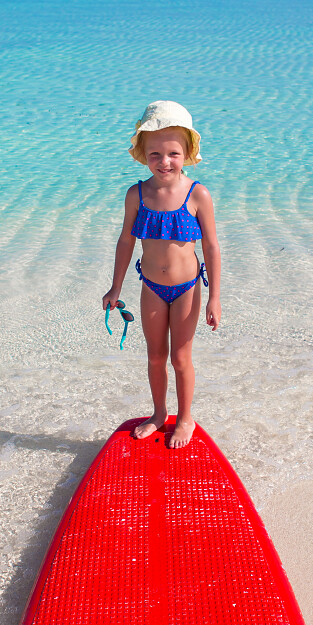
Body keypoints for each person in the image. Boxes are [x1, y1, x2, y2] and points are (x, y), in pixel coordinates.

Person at [103, 101, 221, 449]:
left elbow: (212, 247)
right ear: (142, 154)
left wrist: (214, 296)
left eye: (172, 153)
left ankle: (185, 419)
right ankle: (158, 414)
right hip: (151, 288)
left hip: (187, 289)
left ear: (186, 153)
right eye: (154, 153)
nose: (164, 161)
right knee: (155, 356)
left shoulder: (197, 194)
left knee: (180, 357)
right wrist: (114, 287)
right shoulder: (137, 194)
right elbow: (126, 241)